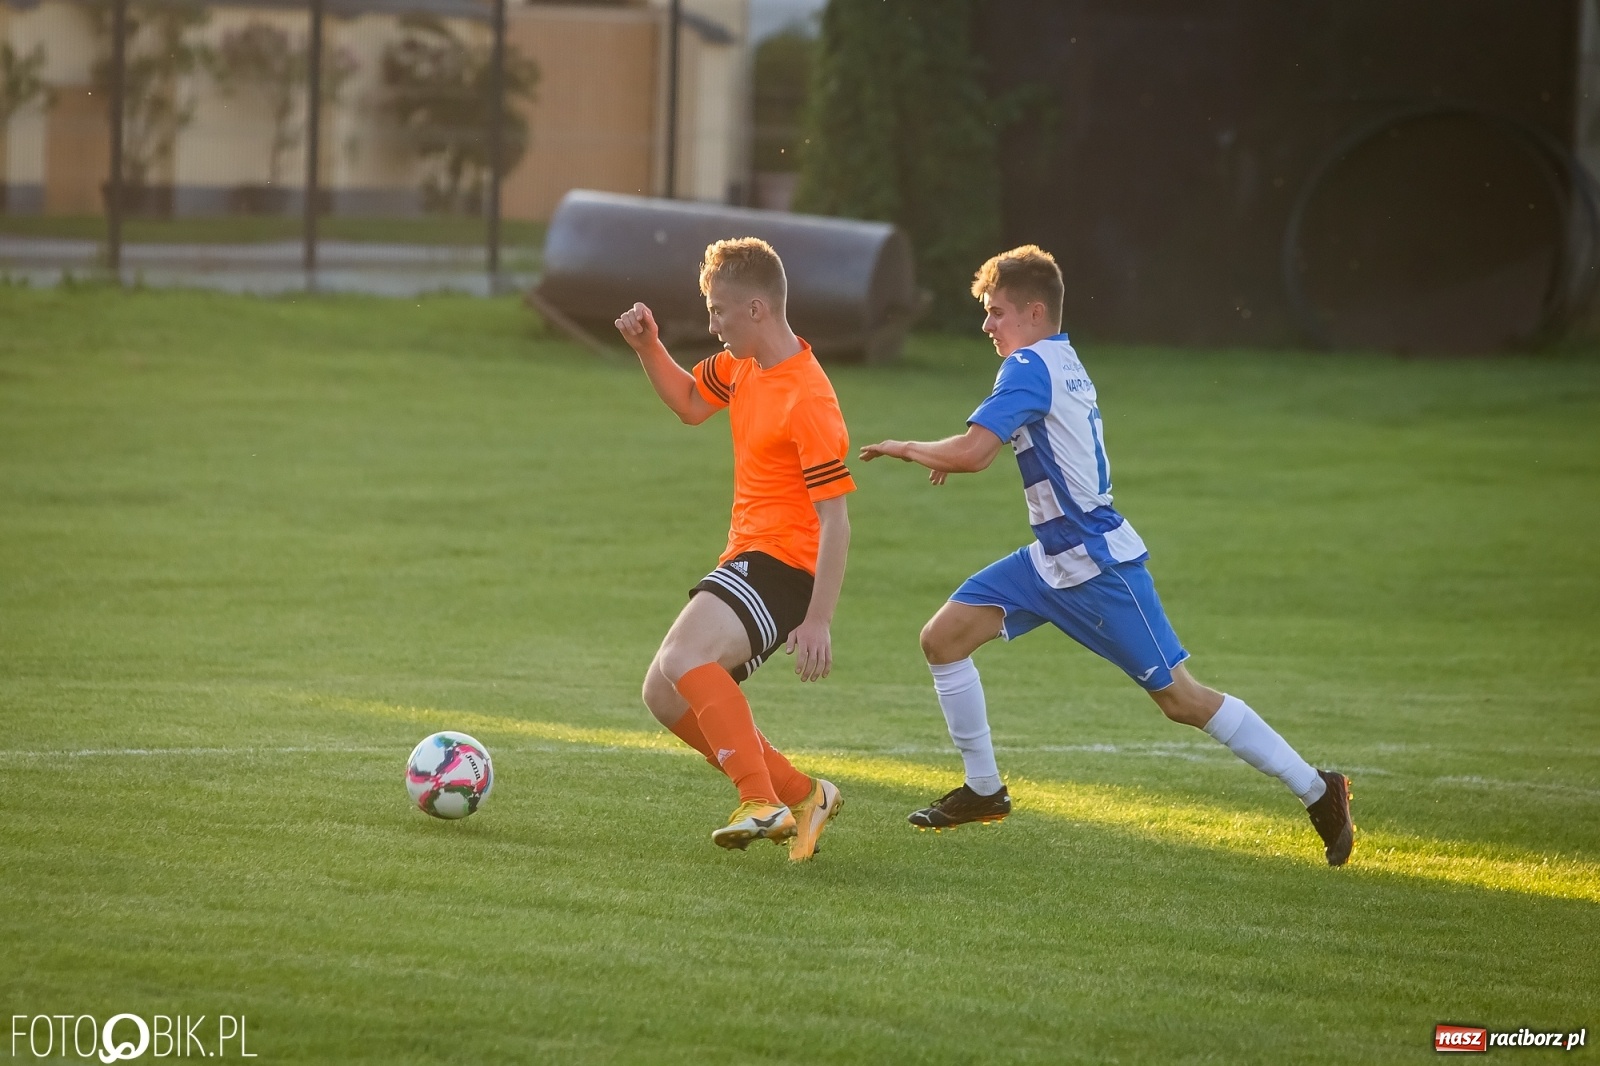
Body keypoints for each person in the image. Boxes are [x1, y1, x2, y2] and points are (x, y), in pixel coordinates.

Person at [858, 245, 1353, 866]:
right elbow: (1001, 442)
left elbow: (975, 452)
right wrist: (954, 453)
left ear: (1034, 312)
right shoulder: (1060, 360)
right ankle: (984, 790)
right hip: (1050, 560)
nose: (987, 325)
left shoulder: (1028, 366)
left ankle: (1318, 789)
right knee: (943, 638)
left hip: (1097, 567)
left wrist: (908, 448)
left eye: (996, 312)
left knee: (1182, 700)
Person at [614, 237, 850, 861]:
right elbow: (691, 404)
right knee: (663, 693)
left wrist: (819, 619)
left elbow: (836, 519)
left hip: (785, 567)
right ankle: (803, 795)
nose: (712, 324)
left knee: (683, 656)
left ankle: (759, 801)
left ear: (756, 310)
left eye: (718, 311)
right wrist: (648, 347)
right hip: (748, 557)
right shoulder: (743, 367)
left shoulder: (809, 399)